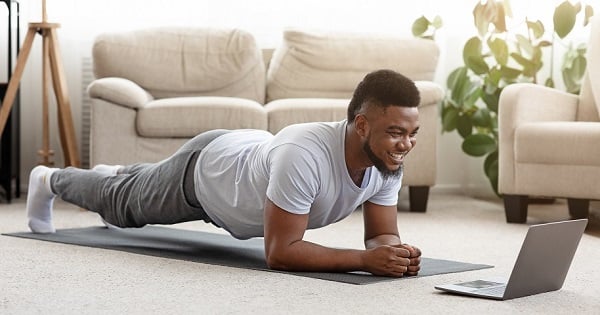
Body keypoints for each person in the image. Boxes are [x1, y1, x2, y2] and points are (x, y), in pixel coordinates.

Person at [26, 69, 422, 277]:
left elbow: (380, 234)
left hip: (241, 157)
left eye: (411, 134)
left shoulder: (386, 161)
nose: (405, 144)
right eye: (396, 132)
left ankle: (119, 172)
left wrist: (393, 253)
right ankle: (48, 179)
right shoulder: (304, 153)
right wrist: (364, 260)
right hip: (205, 176)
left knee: (135, 183)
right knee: (120, 207)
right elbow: (280, 252)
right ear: (363, 125)